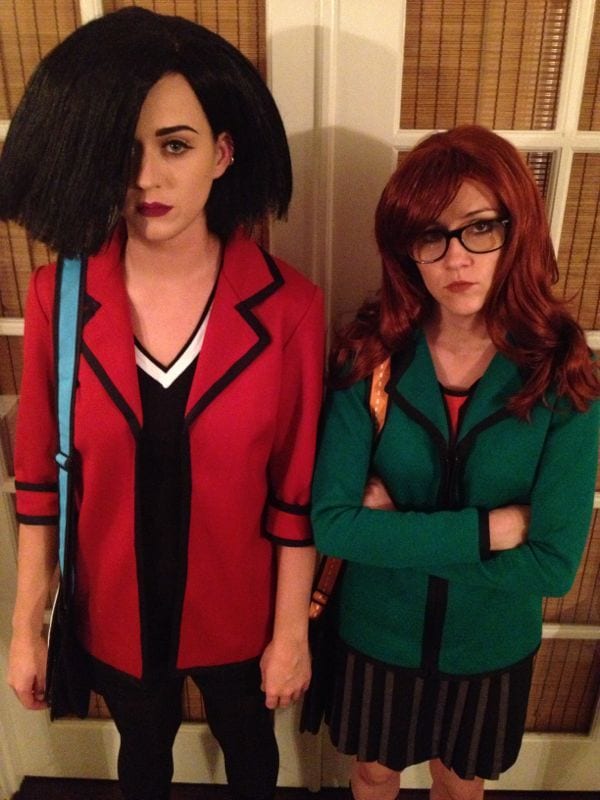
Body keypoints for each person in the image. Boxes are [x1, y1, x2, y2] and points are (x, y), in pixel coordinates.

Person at [3, 8, 324, 800]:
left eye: (175, 145)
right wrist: (24, 626)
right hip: (114, 602)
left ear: (222, 153)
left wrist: (290, 632)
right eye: (126, 149)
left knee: (250, 750)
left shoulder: (290, 307)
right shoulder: (58, 297)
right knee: (141, 755)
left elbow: (296, 494)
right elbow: (39, 483)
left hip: (240, 605)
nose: (147, 177)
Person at [310, 125, 599, 800]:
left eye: (479, 228)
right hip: (377, 634)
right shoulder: (368, 355)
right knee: (373, 772)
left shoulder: (563, 373)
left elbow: (553, 566)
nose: (455, 258)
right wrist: (490, 530)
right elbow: (334, 524)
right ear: (406, 249)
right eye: (431, 236)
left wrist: (392, 533)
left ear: (517, 228)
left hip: (490, 646)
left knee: (460, 782)